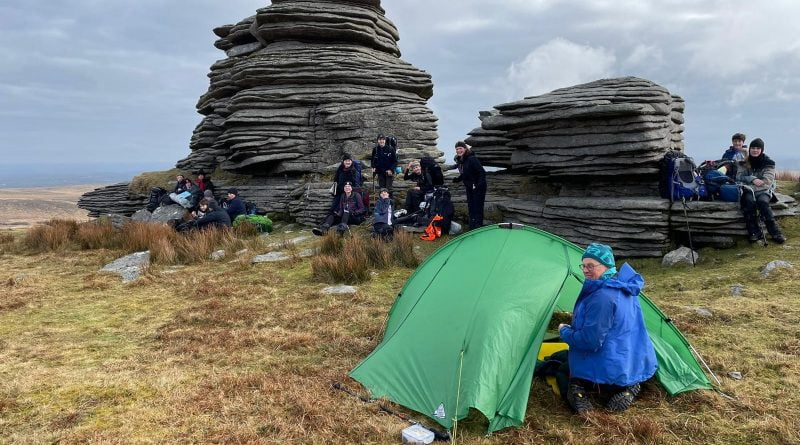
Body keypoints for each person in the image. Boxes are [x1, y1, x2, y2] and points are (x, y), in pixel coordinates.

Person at [558, 243, 657, 414]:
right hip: (631, 360)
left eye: (591, 265)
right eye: (583, 265)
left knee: (563, 369)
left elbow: (590, 342)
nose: (585, 270)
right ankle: (629, 387)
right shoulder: (623, 287)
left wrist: (564, 331)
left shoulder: (602, 297)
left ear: (607, 266)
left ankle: (578, 392)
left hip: (608, 366)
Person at [736, 138, 785, 244]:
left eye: (758, 148)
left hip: (764, 191)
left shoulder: (768, 163)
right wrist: (752, 179)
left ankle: (775, 233)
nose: (755, 150)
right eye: (753, 148)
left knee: (763, 202)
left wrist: (751, 185)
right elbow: (739, 177)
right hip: (748, 190)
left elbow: (767, 181)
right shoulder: (744, 163)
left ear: (761, 150)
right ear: (749, 149)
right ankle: (754, 232)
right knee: (748, 202)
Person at [453, 141, 487, 230]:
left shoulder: (472, 158)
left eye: (460, 148)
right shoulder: (462, 160)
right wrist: (458, 179)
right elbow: (466, 174)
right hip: (470, 187)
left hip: (478, 187)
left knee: (477, 207)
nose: (458, 150)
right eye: (457, 149)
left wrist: (478, 184)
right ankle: (472, 226)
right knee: (471, 206)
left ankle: (478, 226)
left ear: (465, 148)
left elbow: (482, 172)